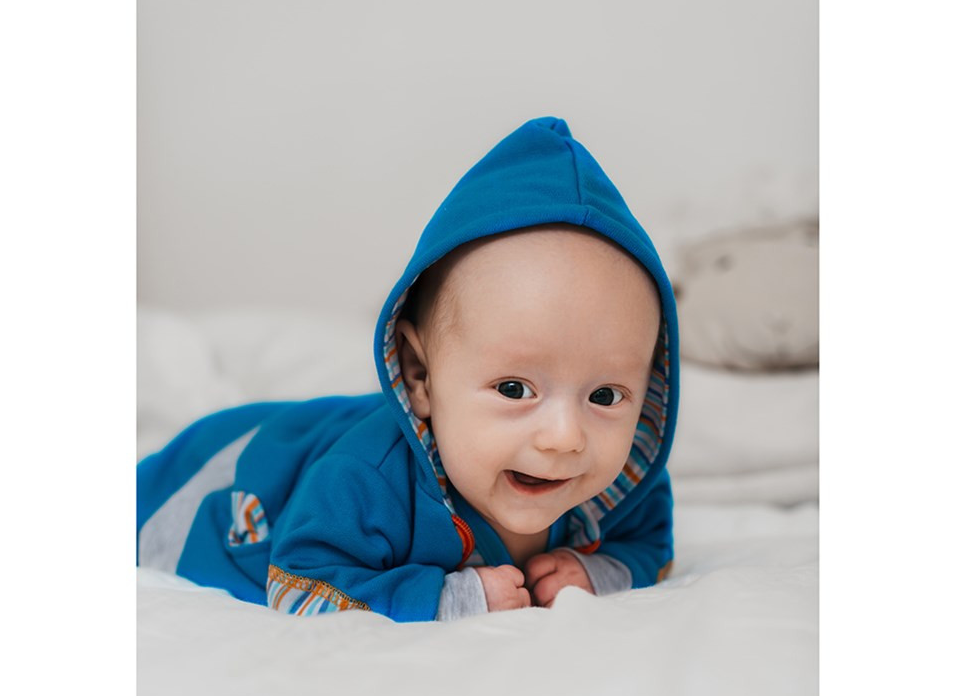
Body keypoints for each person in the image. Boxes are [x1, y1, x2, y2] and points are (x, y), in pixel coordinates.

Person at [137, 116, 680, 621]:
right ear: (419, 376)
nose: (564, 438)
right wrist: (453, 598)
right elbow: (301, 583)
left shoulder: (623, 484)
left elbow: (648, 546)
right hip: (229, 469)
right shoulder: (364, 481)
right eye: (515, 389)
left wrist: (599, 571)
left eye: (605, 396)